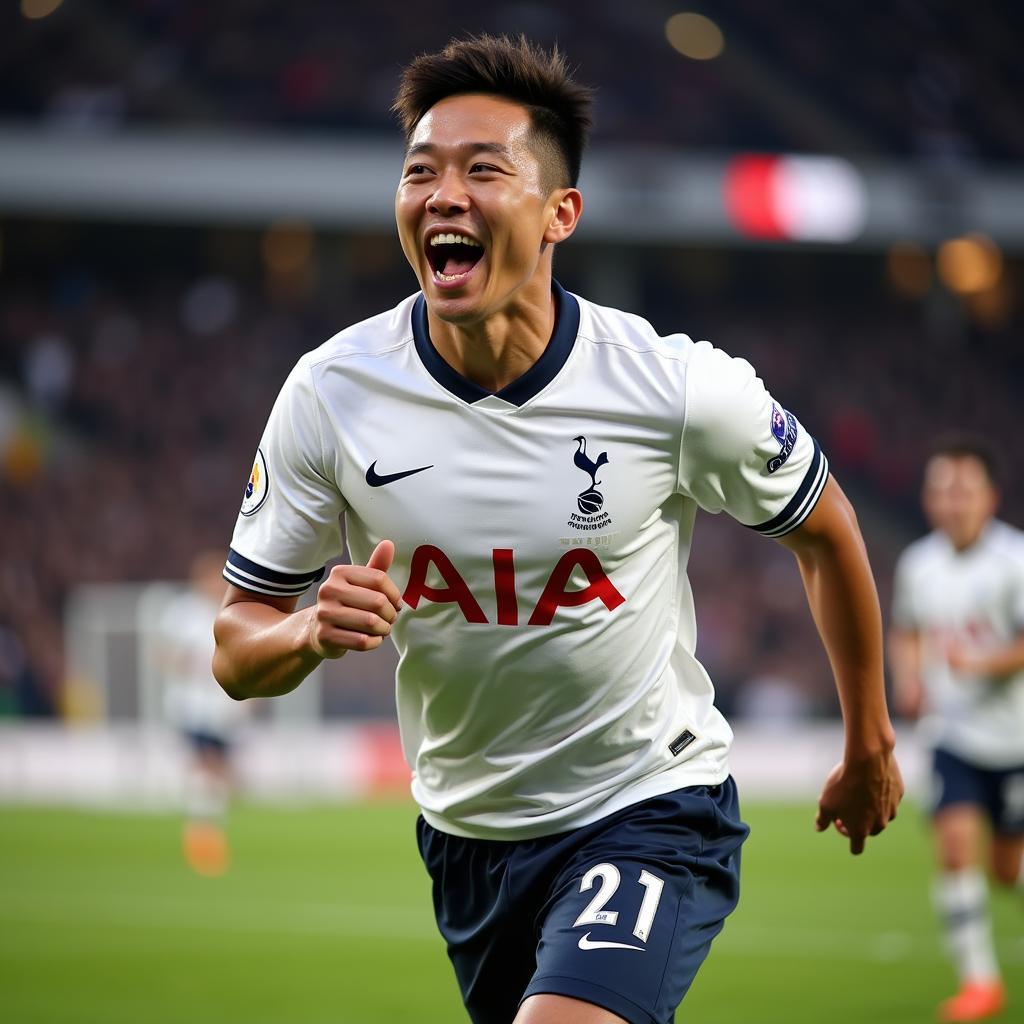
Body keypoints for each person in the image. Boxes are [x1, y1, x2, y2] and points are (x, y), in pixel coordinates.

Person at [213, 35, 903, 1024]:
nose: (443, 193)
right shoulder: (331, 393)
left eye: (483, 169)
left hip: (649, 806)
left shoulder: (673, 388)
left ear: (558, 214)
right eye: (420, 171)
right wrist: (306, 631)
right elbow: (236, 647)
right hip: (467, 837)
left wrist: (869, 736)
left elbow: (825, 526)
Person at [889, 437, 1024, 1023]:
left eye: (963, 488)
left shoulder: (1014, 560)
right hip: (955, 736)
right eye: (941, 488)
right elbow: (907, 629)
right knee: (954, 847)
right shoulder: (919, 564)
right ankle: (979, 982)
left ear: (989, 496)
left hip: (1016, 740)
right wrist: (909, 677)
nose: (951, 500)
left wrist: (982, 663)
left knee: (1008, 868)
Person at [160, 550, 248, 876]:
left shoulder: (228, 613)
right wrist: (191, 665)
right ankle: (202, 839)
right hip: (192, 708)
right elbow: (164, 655)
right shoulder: (184, 614)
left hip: (224, 710)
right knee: (206, 767)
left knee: (221, 774)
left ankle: (209, 832)